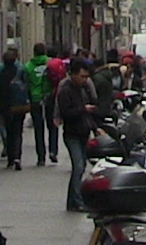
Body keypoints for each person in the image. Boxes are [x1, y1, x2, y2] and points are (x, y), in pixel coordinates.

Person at [55, 62, 99, 211]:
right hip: (72, 134)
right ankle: (78, 201)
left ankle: (72, 201)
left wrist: (94, 128)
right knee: (79, 166)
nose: (85, 79)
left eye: (86, 77)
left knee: (80, 167)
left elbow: (86, 114)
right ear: (73, 74)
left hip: (83, 132)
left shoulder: (82, 89)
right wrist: (82, 109)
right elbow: (66, 113)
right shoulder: (65, 91)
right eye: (82, 76)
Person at [0, 45, 32, 170]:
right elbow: (27, 85)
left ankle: (10, 158)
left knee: (8, 130)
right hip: (18, 105)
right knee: (17, 132)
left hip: (5, 105)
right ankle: (17, 157)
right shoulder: (21, 69)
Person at [25, 44, 56, 166]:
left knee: (38, 128)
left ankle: (41, 157)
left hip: (35, 98)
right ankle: (53, 150)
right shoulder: (51, 63)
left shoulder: (28, 66)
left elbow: (26, 83)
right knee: (52, 124)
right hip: (49, 96)